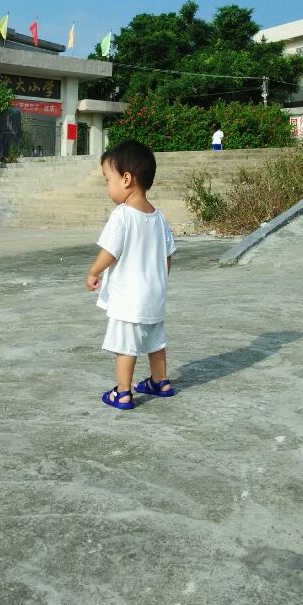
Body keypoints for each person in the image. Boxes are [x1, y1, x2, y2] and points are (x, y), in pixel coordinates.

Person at [85, 140, 177, 410]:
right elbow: (167, 255)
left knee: (126, 345)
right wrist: (159, 281)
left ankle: (123, 392)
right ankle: (160, 382)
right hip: (155, 294)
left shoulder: (122, 215)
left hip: (129, 298)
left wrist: (94, 271)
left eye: (108, 180)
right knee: (155, 341)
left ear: (126, 179)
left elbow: (110, 251)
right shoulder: (159, 217)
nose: (107, 187)